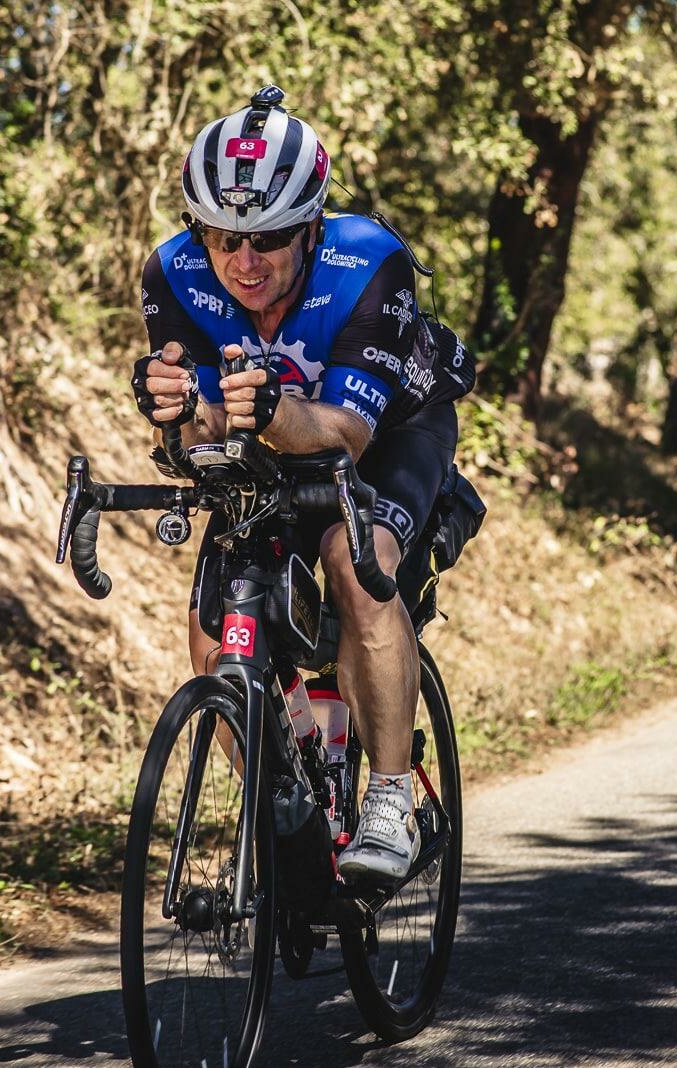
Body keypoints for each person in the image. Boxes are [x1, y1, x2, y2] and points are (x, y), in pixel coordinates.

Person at [129, 85, 475, 885]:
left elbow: (346, 435)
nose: (245, 262)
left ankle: (389, 800)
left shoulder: (368, 263)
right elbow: (202, 433)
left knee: (359, 563)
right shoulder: (173, 274)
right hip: (272, 444)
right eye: (223, 238)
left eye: (271, 238)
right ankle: (290, 800)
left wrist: (265, 410)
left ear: (313, 226)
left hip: (391, 433)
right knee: (212, 627)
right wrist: (175, 411)